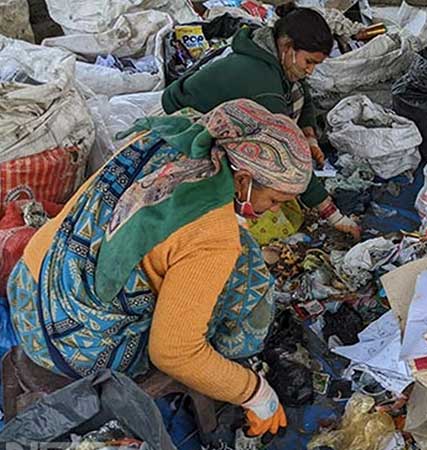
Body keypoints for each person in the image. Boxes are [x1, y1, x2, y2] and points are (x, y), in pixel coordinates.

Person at [7, 100, 311, 437]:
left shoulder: (164, 141)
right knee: (247, 272)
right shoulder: (212, 234)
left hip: (29, 288)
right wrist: (256, 393)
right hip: (75, 346)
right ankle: (234, 358)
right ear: (243, 180)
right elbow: (173, 354)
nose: (271, 211)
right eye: (275, 200)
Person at [162, 5, 360, 239]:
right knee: (265, 217)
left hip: (225, 118)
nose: (310, 70)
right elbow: (285, 158)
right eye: (309, 62)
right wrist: (332, 215)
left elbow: (303, 94)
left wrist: (309, 138)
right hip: (185, 126)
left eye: (316, 64)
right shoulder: (263, 86)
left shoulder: (275, 56)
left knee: (275, 196)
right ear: (287, 47)